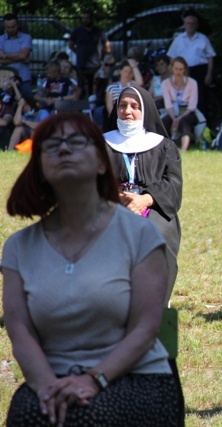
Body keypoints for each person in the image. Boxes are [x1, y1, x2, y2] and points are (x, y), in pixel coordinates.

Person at [1, 112, 180, 425]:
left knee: (89, 416)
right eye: (52, 145)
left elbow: (147, 326)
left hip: (134, 377)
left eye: (76, 141)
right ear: (40, 168)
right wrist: (45, 387)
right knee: (29, 413)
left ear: (101, 163)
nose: (64, 149)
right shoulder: (19, 247)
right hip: (52, 378)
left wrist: (93, 379)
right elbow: (20, 330)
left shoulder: (140, 235)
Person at [103, 86, 182, 305]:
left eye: (134, 106)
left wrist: (145, 199)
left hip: (153, 205)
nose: (127, 111)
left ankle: (157, 302)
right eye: (122, 105)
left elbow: (173, 184)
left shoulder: (164, 146)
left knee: (159, 236)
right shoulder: (101, 143)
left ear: (145, 111)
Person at [166, 9, 215, 118]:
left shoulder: (203, 39)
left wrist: (209, 74)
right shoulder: (178, 40)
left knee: (201, 98)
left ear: (197, 25)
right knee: (184, 98)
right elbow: (171, 57)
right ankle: (184, 122)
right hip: (183, 72)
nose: (190, 25)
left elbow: (210, 57)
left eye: (193, 23)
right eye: (188, 23)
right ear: (184, 24)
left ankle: (203, 124)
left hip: (200, 71)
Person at [68, 11, 111, 97]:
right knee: (81, 87)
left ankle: (94, 102)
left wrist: (101, 55)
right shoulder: (77, 31)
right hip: (81, 64)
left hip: (95, 65)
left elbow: (107, 46)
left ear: (91, 19)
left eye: (87, 18)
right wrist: (78, 52)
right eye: (83, 18)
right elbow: (70, 44)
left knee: (95, 87)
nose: (85, 20)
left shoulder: (99, 32)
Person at [161, 56, 199, 151]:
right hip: (172, 112)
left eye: (181, 69)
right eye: (176, 69)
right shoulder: (166, 83)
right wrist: (174, 118)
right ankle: (165, 148)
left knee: (184, 121)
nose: (178, 72)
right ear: (172, 69)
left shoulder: (192, 83)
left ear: (185, 70)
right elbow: (168, 104)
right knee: (164, 121)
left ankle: (184, 148)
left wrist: (178, 119)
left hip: (187, 112)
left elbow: (192, 106)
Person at [0, 13, 33, 96]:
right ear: (4, 26)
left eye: (13, 27)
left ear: (18, 25)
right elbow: (23, 57)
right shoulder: (0, 39)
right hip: (5, 79)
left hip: (23, 78)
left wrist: (5, 55)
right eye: (8, 27)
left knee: (27, 102)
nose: (11, 30)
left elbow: (23, 55)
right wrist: (21, 58)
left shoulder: (26, 37)